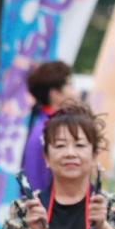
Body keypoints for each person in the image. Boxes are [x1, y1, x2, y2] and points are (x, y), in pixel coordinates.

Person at [20, 61, 78, 194]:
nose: (76, 92)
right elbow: (36, 183)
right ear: (54, 94)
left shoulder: (47, 124)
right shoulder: (47, 130)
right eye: (70, 85)